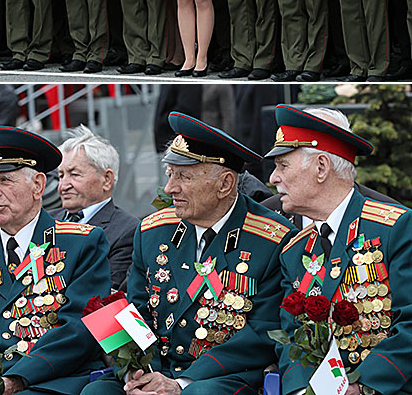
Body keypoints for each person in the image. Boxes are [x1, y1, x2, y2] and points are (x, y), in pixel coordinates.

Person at [84, 110, 294, 395]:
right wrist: (140, 372)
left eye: (183, 176)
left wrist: (182, 384)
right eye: (170, 174)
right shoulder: (152, 231)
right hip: (158, 368)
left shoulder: (272, 238)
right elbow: (137, 310)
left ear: (225, 184)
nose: (170, 188)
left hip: (220, 376)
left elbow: (261, 332)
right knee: (95, 392)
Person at [0, 125, 110, 394]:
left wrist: (17, 379)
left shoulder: (81, 243)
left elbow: (78, 331)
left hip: (55, 381)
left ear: (38, 185)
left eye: (4, 181)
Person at [267, 103, 412, 395]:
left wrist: (363, 385)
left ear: (321, 167)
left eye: (283, 166)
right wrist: (300, 389)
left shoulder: (394, 227)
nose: (273, 178)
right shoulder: (293, 250)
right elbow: (292, 337)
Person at [56, 125, 138, 289]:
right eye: (61, 175)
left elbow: (105, 294)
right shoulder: (45, 220)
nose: (63, 185)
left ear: (107, 179)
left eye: (74, 174)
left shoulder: (127, 230)